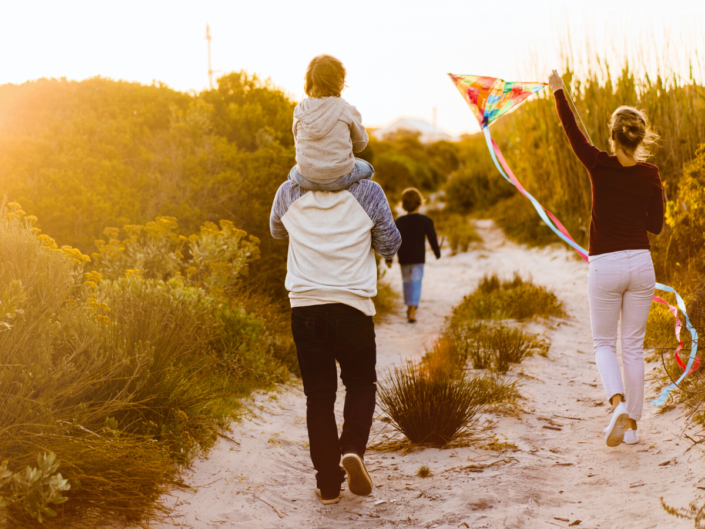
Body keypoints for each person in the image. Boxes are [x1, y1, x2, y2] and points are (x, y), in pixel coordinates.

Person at [270, 55, 402, 506]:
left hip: (305, 307)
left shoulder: (288, 192)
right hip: (352, 306)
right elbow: (389, 243)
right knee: (362, 383)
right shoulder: (368, 191)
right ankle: (352, 450)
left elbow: (275, 231)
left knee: (318, 396)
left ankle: (328, 483)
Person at [549, 70, 664, 447]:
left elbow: (572, 134)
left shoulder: (598, 163)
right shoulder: (651, 174)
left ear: (612, 136)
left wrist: (559, 92)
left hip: (605, 266)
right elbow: (657, 227)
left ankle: (617, 404)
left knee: (603, 344)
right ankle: (632, 426)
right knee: (633, 347)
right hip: (641, 265)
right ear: (641, 137)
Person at [289, 54, 374, 192]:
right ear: (339, 81)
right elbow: (360, 145)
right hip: (338, 179)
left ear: (309, 80)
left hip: (305, 178)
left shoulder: (300, 109)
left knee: (293, 171)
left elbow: (297, 142)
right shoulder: (346, 109)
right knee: (368, 168)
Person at [385, 188, 441, 323]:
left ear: (403, 204)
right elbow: (432, 238)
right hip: (418, 259)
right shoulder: (425, 220)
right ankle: (413, 309)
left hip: (404, 258)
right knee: (416, 282)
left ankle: (409, 305)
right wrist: (437, 252)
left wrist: (389, 258)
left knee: (406, 282)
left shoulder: (399, 221)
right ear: (419, 202)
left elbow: (391, 240)